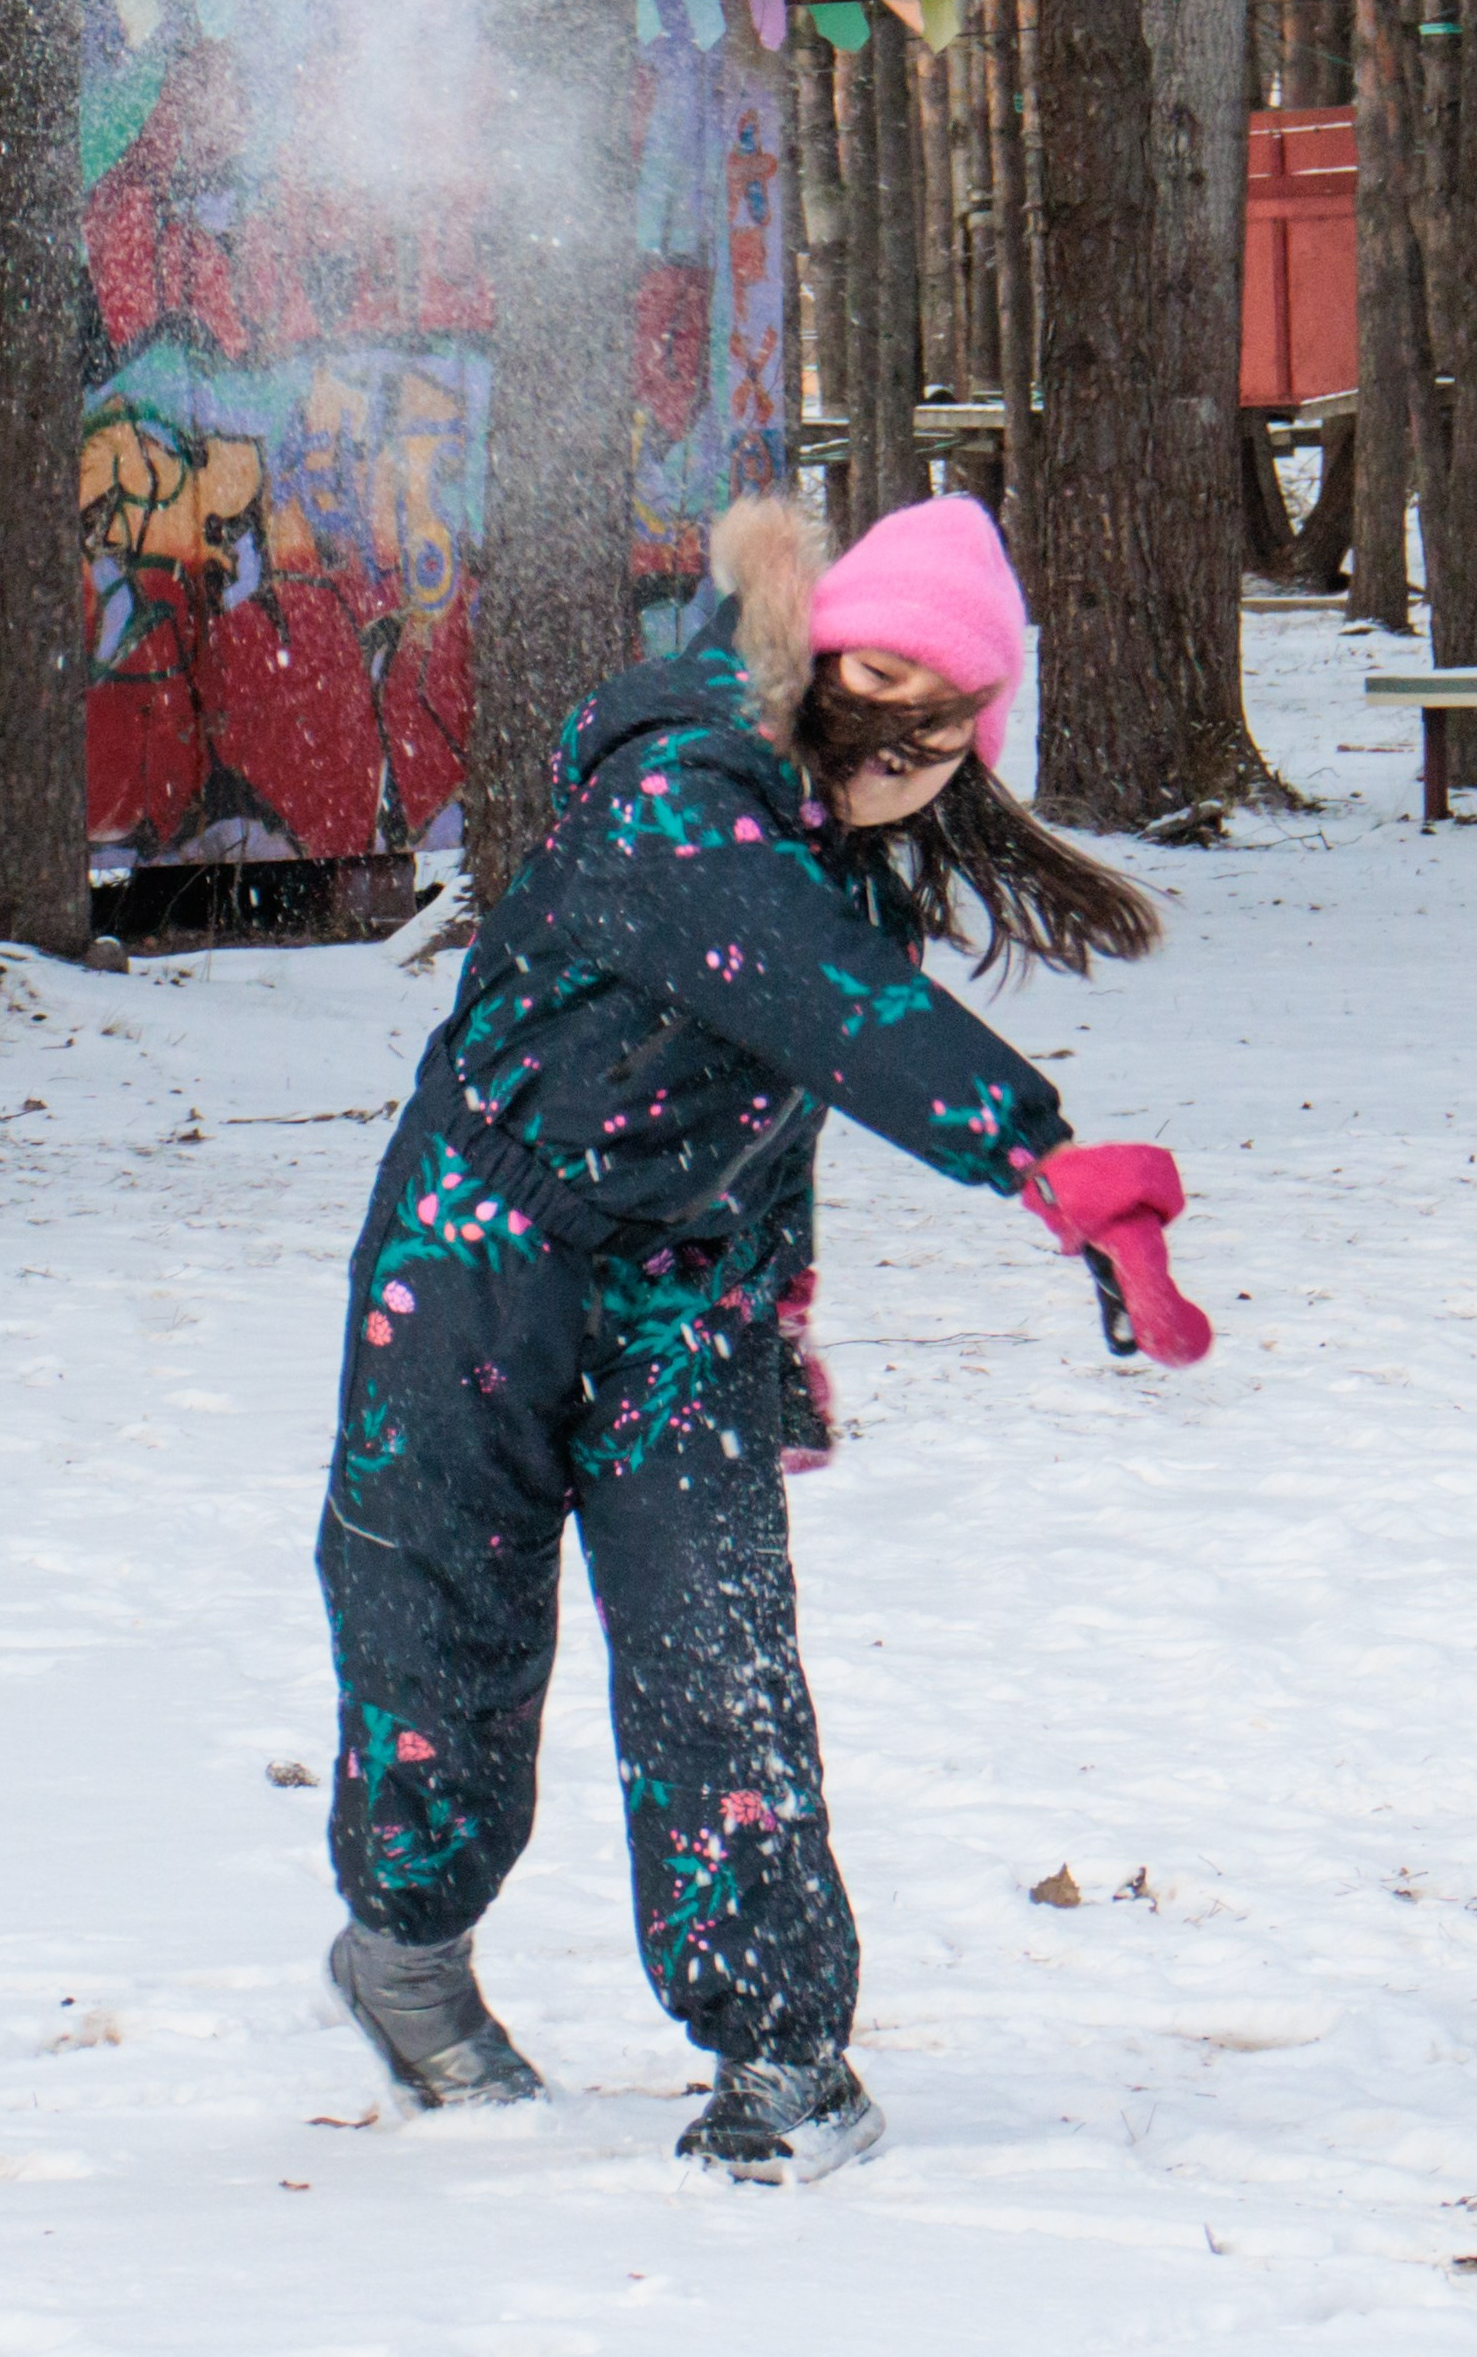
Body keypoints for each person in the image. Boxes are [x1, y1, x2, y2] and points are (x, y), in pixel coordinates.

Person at [316, 491, 1211, 2181]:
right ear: (809, 664)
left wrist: (782, 1306)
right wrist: (1034, 1152)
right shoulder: (679, 797)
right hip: (472, 1258)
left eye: (940, 723)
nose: (901, 745)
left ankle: (783, 2052)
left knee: (714, 1666)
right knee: (437, 1634)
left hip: (687, 1302)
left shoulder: (846, 873)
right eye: (876, 689)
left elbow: (778, 1085)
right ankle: (406, 1946)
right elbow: (790, 981)